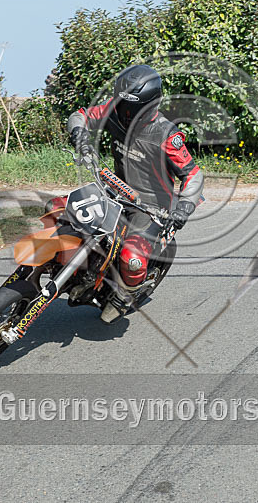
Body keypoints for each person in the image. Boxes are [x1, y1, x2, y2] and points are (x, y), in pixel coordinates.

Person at [66, 64, 204, 323]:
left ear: (150, 105)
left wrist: (184, 208)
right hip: (114, 189)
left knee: (132, 258)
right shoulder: (113, 109)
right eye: (122, 104)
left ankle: (124, 295)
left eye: (131, 108)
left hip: (151, 206)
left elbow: (193, 174)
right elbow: (80, 115)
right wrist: (80, 135)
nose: (124, 112)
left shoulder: (166, 134)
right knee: (65, 212)